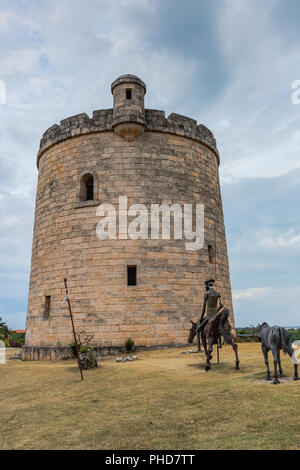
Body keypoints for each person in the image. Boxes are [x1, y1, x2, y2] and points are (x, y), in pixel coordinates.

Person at [196, 278, 223, 350]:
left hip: (209, 316)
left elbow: (204, 308)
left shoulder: (207, 293)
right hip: (216, 315)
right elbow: (222, 306)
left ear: (207, 285)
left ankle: (199, 347)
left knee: (197, 330)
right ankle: (220, 344)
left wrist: (201, 317)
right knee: (219, 327)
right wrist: (218, 309)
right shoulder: (217, 294)